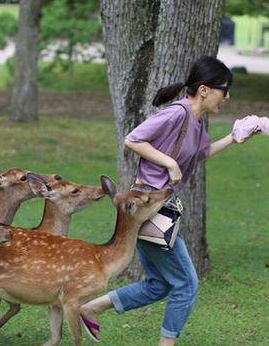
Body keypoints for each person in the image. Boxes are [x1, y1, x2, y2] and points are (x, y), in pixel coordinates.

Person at [80, 56, 259, 345]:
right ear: (204, 90)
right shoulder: (177, 113)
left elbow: (199, 154)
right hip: (147, 206)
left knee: (159, 284)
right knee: (187, 285)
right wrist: (170, 164)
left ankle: (91, 307)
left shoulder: (197, 122)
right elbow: (134, 139)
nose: (227, 96)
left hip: (157, 207)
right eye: (224, 89)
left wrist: (233, 139)